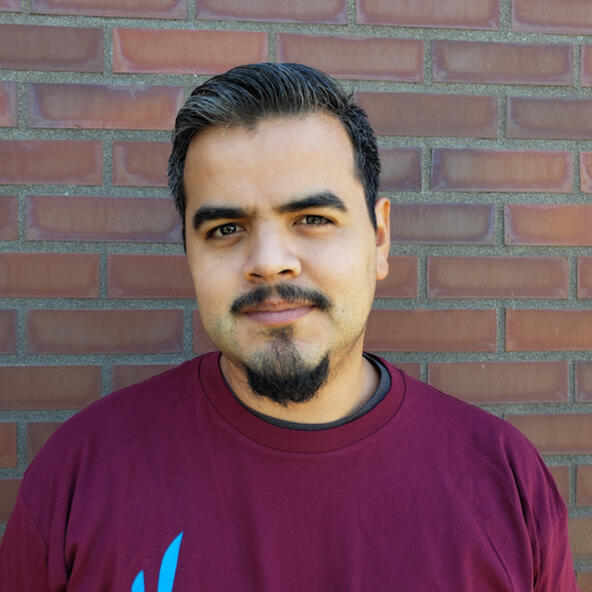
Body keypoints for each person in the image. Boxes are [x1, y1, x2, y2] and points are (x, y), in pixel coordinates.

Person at [0, 63, 578, 591]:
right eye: (226, 229)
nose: (270, 261)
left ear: (379, 238)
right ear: (189, 252)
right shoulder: (83, 472)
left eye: (312, 218)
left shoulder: (503, 480)